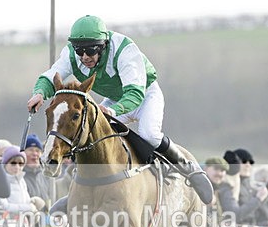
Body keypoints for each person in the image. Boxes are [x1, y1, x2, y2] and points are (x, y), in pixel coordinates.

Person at [26, 15, 213, 204]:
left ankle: (189, 169)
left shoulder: (124, 50)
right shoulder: (71, 54)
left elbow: (134, 93)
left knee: (149, 134)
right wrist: (40, 93)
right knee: (90, 135)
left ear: (103, 45)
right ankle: (75, 194)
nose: (84, 57)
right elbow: (51, 75)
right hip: (114, 100)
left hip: (145, 95)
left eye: (90, 50)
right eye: (80, 50)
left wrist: (114, 111)